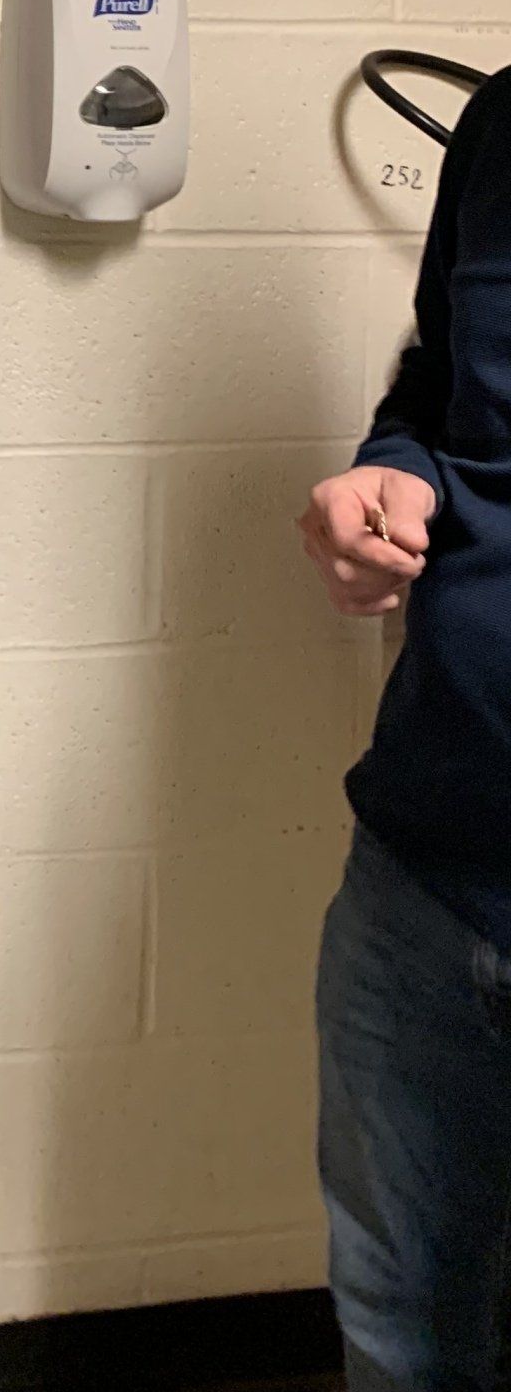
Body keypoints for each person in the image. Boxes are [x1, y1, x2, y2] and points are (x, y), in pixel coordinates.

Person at [301, 67, 511, 1392]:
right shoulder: (502, 125)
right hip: (427, 880)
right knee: (400, 1330)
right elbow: (441, 385)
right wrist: (398, 472)